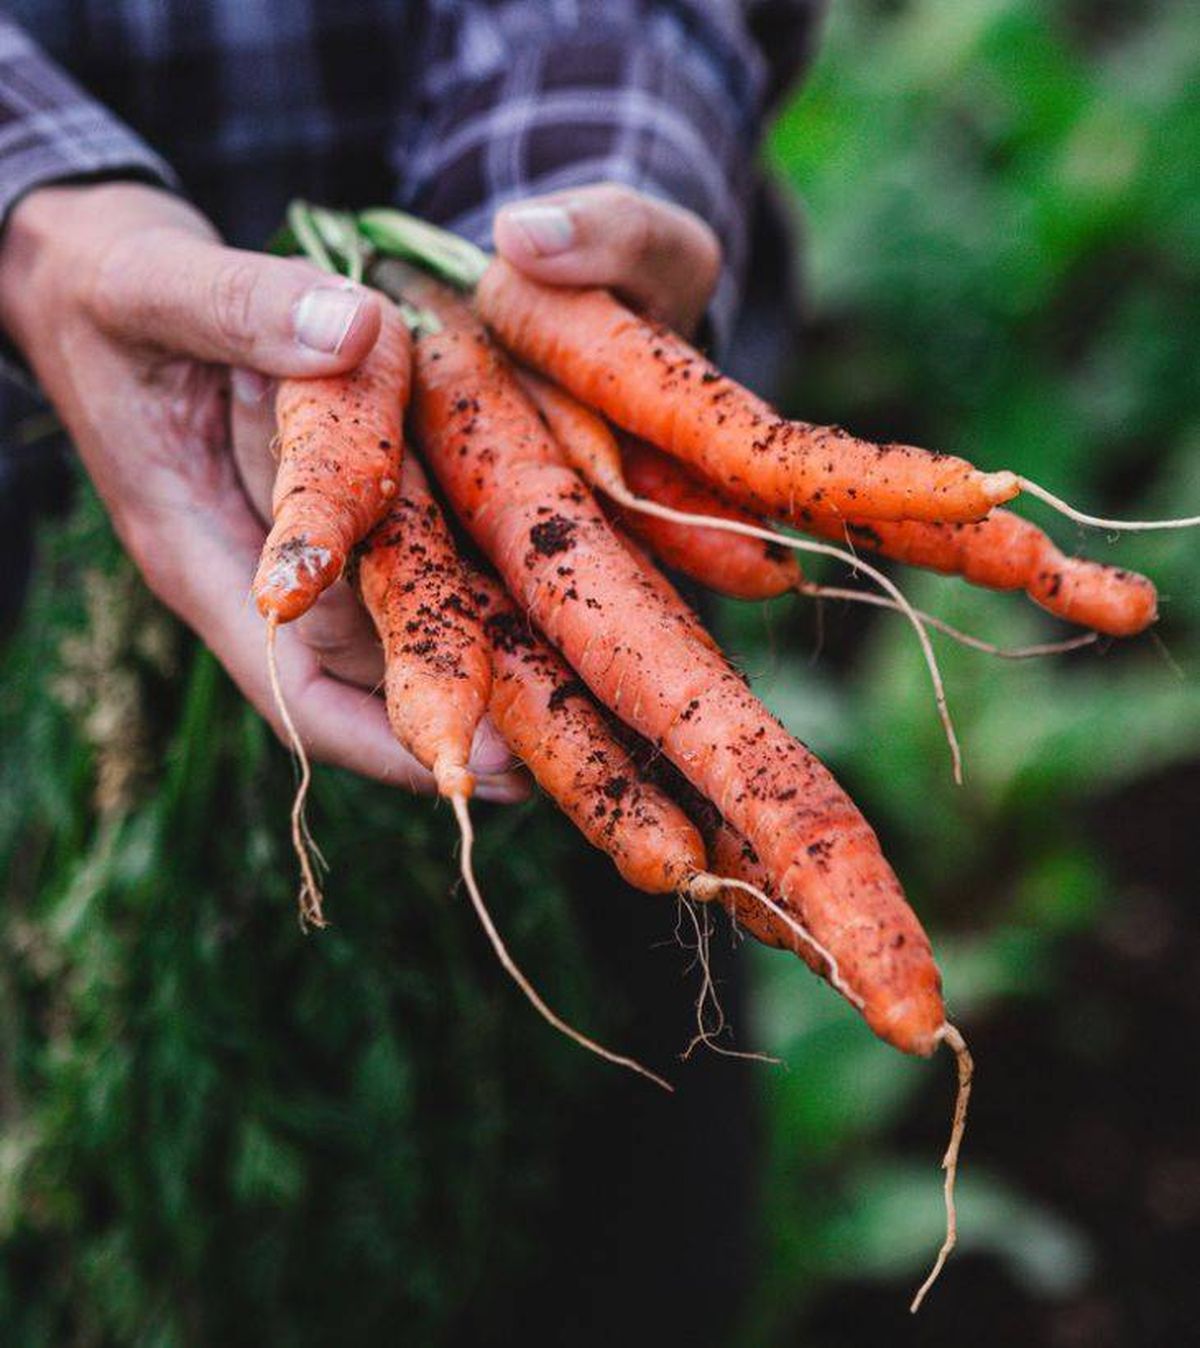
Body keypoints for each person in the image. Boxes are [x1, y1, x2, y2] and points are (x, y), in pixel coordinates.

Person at [0, 3, 822, 1341]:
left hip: (574, 550)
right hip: (32, 534)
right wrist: (36, 219)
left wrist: (554, 224)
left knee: (617, 1218)